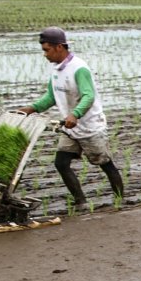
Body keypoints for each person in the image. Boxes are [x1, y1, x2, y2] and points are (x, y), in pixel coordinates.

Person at [19, 26, 124, 208]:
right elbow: (51, 97)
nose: (45, 54)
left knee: (104, 163)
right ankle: (80, 201)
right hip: (70, 128)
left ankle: (120, 200)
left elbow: (88, 96)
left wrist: (75, 114)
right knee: (61, 163)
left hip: (90, 126)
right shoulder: (56, 70)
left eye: (47, 50)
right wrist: (31, 108)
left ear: (59, 47)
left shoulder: (79, 68)